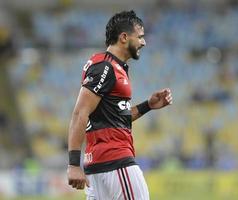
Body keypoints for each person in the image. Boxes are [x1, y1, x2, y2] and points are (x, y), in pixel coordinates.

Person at [67, 10, 172, 200]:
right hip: (115, 161)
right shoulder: (105, 67)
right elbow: (80, 113)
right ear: (124, 37)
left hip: (101, 164)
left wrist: (148, 105)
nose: (143, 42)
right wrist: (73, 164)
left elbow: (114, 116)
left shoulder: (114, 68)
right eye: (140, 37)